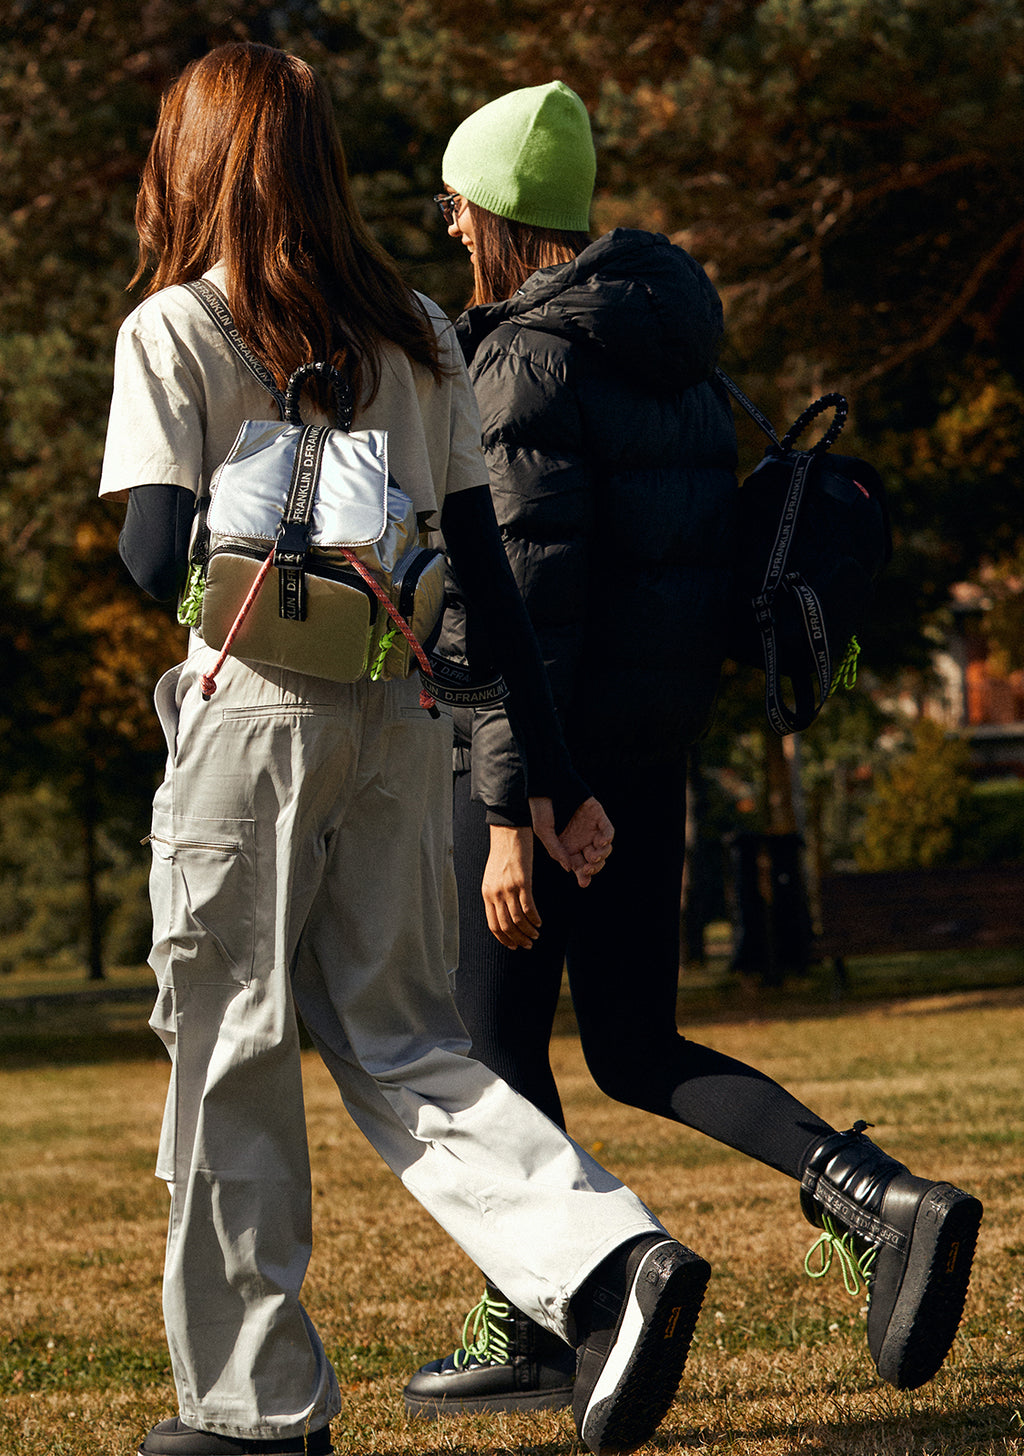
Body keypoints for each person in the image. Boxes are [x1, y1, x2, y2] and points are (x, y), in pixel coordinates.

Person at [99, 44, 715, 1456]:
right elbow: (487, 579)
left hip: (250, 724)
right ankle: (608, 1261)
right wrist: (550, 778)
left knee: (232, 1055)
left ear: (196, 164)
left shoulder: (176, 329)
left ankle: (253, 1416)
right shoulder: (424, 332)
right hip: (399, 716)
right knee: (412, 1044)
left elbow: (150, 556)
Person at [401, 79, 983, 1417]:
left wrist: (512, 809)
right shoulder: (671, 356)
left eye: (453, 206)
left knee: (487, 1054)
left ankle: (555, 1318)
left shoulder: (524, 362)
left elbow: (528, 604)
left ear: (493, 213)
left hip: (542, 766)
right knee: (632, 1042)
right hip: (650, 754)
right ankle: (876, 1198)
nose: (447, 233)